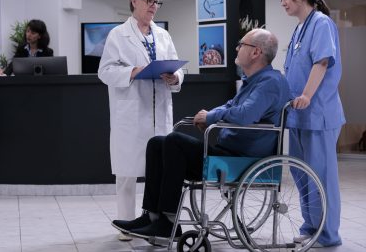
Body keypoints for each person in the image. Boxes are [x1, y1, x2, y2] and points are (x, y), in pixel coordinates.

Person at [112, 28, 290, 239]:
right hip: (228, 154)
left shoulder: (270, 82)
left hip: (242, 160)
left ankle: (168, 222)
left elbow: (244, 115)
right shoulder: (252, 80)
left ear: (256, 52)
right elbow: (230, 105)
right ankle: (152, 217)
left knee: (174, 141)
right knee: (157, 143)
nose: (237, 48)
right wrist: (210, 116)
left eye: (241, 45)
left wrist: (211, 118)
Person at [98, 0, 184, 241]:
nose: (154, 7)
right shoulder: (118, 35)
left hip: (159, 110)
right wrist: (132, 72)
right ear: (134, 0)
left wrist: (176, 77)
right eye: (150, 1)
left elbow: (177, 66)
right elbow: (105, 72)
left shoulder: (163, 35)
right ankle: (125, 225)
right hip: (131, 113)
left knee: (159, 169)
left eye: (157, 2)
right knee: (127, 172)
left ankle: (155, 221)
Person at [280, 0, 345, 248]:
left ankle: (328, 235)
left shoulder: (321, 23)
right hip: (298, 115)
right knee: (302, 173)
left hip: (318, 113)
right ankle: (311, 226)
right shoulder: (299, 28)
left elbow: (321, 62)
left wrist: (306, 95)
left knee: (322, 176)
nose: (283, 2)